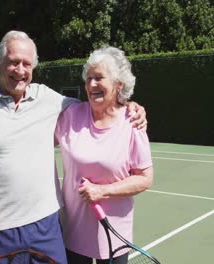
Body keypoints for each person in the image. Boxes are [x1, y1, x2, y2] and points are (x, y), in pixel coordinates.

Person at [0, 31, 147, 264]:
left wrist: (130, 105)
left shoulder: (49, 99)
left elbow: (98, 105)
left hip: (48, 227)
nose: (20, 70)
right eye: (13, 62)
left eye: (26, 64)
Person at [54, 46, 154, 264]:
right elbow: (40, 142)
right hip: (72, 234)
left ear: (118, 85)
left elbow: (145, 178)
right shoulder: (71, 115)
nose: (91, 85)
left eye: (99, 78)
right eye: (88, 78)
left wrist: (103, 191)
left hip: (115, 237)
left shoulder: (132, 122)